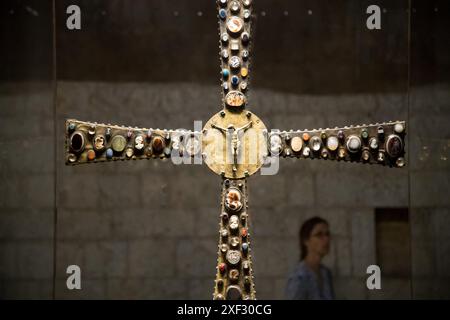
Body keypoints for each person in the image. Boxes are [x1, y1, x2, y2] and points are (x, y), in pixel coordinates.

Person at [285, 216, 335, 300]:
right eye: (319, 235)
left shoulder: (325, 273)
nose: (326, 239)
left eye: (327, 234)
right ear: (306, 241)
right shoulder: (299, 277)